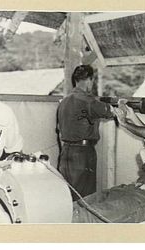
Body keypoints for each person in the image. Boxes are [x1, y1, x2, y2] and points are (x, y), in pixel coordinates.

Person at [57, 65, 115, 200]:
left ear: (75, 80)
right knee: (85, 197)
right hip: (83, 154)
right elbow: (110, 112)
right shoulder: (88, 101)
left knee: (67, 194)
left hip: (65, 152)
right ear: (90, 80)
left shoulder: (64, 101)